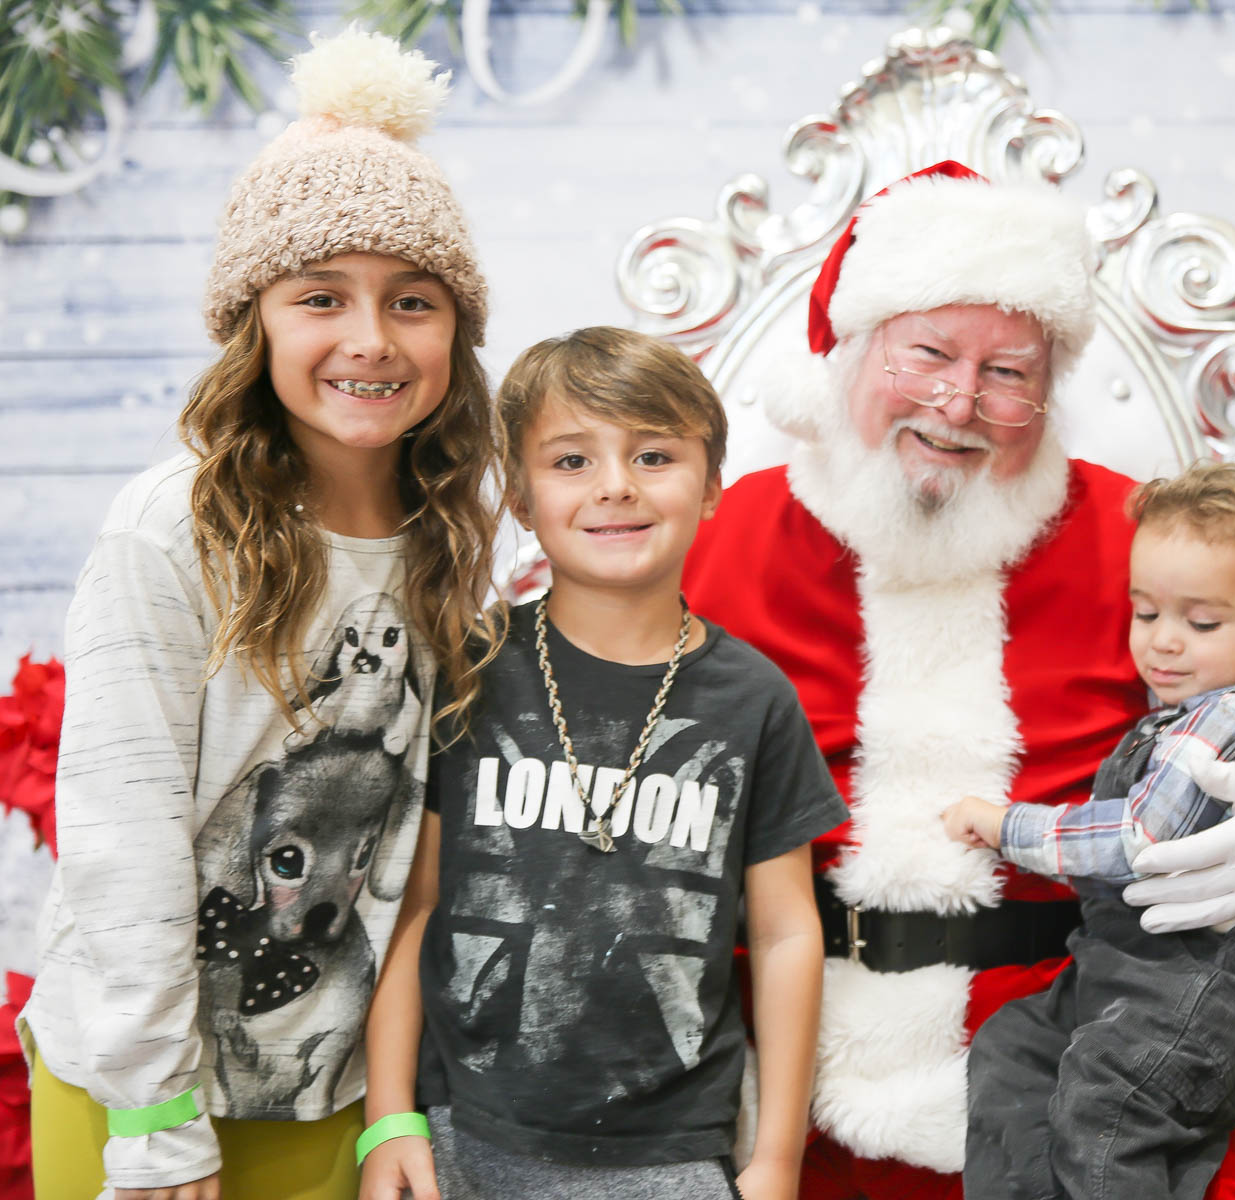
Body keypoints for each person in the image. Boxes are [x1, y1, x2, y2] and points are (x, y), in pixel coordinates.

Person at [679, 161, 1235, 1200]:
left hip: (1069, 1072)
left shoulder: (1145, 537)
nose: (958, 402)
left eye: (1008, 372)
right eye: (929, 352)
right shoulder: (722, 535)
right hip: (787, 1089)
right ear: (851, 349)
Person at [19, 30, 500, 1200]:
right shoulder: (173, 527)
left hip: (325, 1092)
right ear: (256, 323)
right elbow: (120, 837)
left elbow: (411, 866)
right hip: (142, 1093)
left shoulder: (445, 543)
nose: (371, 338)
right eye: (320, 297)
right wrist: (155, 1113)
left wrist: (394, 1115)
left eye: (414, 301)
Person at [356, 328, 848, 1200]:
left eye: (654, 455)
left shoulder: (754, 699)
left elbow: (783, 934)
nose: (616, 485)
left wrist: (776, 1158)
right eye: (572, 460)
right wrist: (389, 1115)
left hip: (673, 1155)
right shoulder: (468, 672)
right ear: (519, 493)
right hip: (464, 1134)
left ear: (712, 487)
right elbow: (415, 901)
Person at [944, 462, 1235, 1199]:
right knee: (1013, 1049)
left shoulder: (1228, 721)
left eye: (1201, 622)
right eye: (1146, 614)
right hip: (1130, 971)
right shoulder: (1182, 714)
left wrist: (1003, 825)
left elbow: (1136, 842)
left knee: (1110, 1104)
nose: (1164, 643)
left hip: (1215, 985)